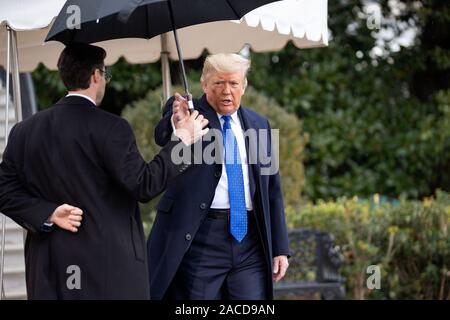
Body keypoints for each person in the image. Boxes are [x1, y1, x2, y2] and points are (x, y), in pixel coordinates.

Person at [0, 43, 208, 299]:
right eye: (105, 75)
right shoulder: (112, 128)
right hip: (107, 272)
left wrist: (49, 213)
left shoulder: (24, 131)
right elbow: (145, 185)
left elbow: (4, 190)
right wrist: (182, 140)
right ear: (96, 76)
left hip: (48, 270)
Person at [147, 53, 290, 300]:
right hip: (201, 238)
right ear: (204, 85)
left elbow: (272, 190)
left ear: (243, 86)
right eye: (218, 83)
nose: (226, 91)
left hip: (249, 242)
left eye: (233, 83)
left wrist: (280, 248)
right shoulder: (191, 116)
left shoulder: (259, 124)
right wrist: (176, 123)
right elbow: (162, 135)